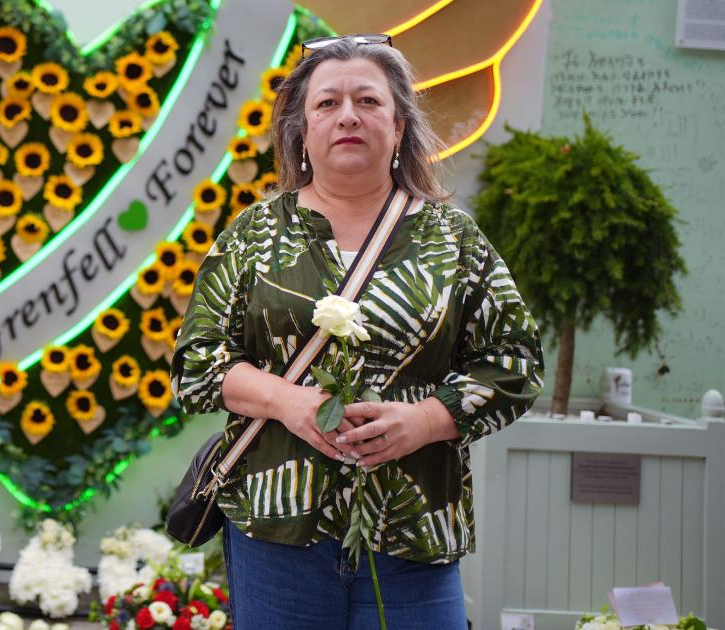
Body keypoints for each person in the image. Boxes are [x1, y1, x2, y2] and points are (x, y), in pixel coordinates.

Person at [172, 35, 544, 630]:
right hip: (276, 533)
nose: (348, 115)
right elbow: (196, 366)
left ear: (398, 128)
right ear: (301, 130)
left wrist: (424, 420)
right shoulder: (252, 236)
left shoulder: (454, 241)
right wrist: (289, 402)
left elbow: (516, 365)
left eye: (369, 101)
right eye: (327, 104)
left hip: (415, 531)